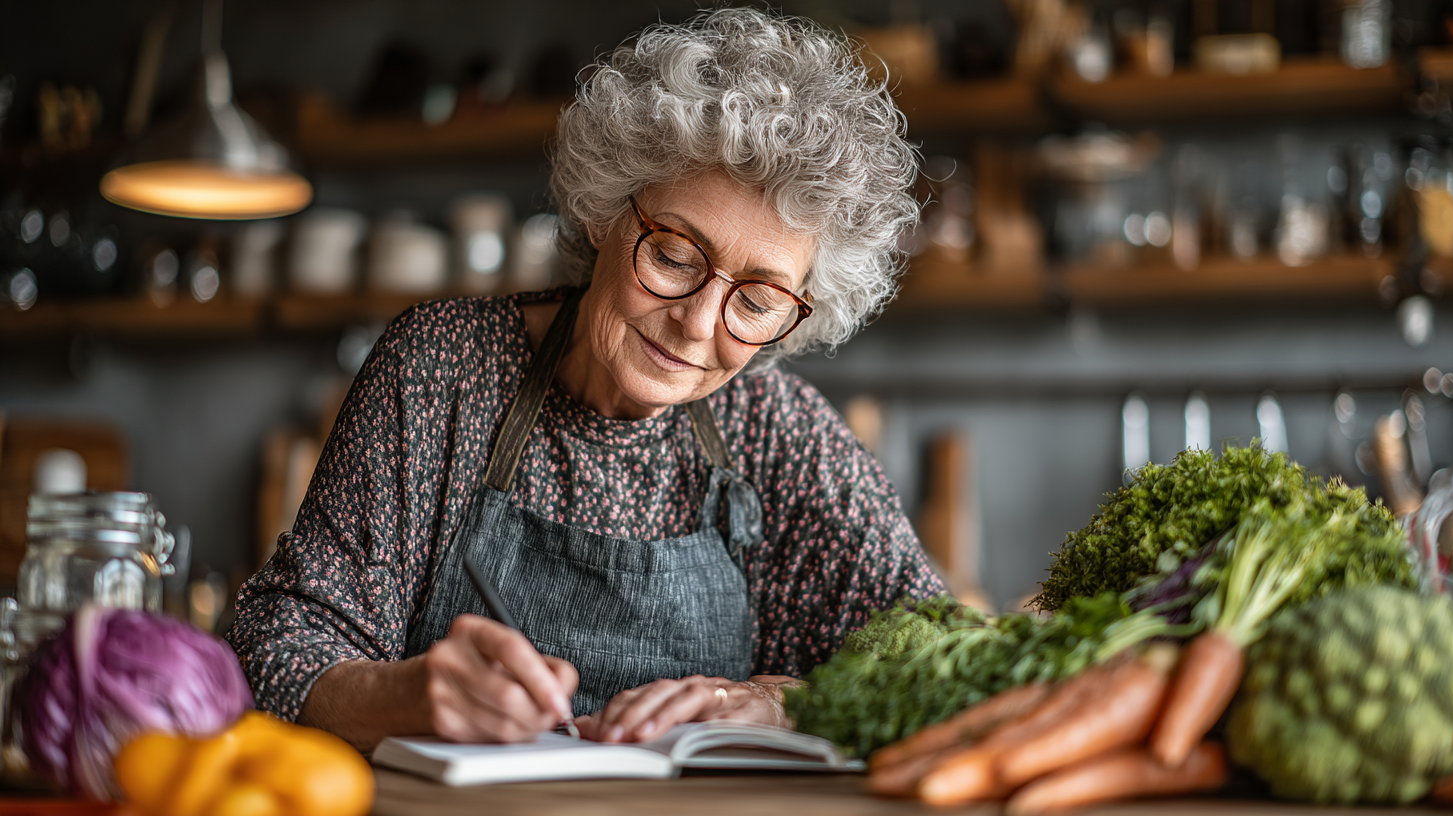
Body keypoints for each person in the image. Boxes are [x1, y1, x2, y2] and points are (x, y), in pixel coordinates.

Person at [226, 7, 944, 752]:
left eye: (757, 301)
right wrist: (401, 694)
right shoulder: (444, 369)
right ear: (607, 213)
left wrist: (779, 703)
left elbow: (936, 657)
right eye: (672, 255)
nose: (698, 324)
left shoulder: (779, 431)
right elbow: (276, 646)